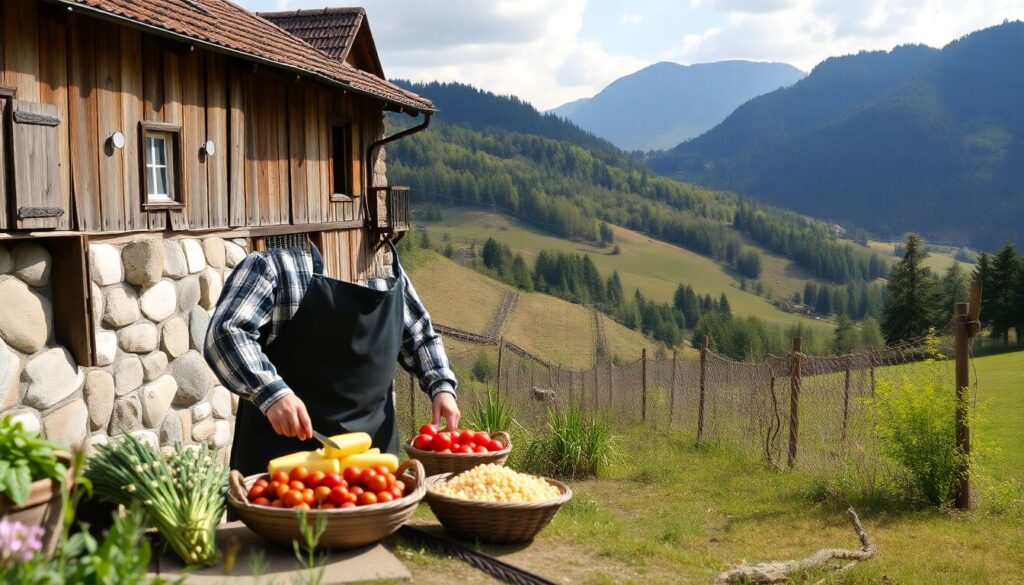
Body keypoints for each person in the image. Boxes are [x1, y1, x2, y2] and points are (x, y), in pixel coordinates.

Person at [205, 234, 459, 475]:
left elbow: (420, 335)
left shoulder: (386, 271)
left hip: (374, 467)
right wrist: (272, 394)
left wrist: (441, 386)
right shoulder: (274, 267)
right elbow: (226, 333)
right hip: (286, 468)